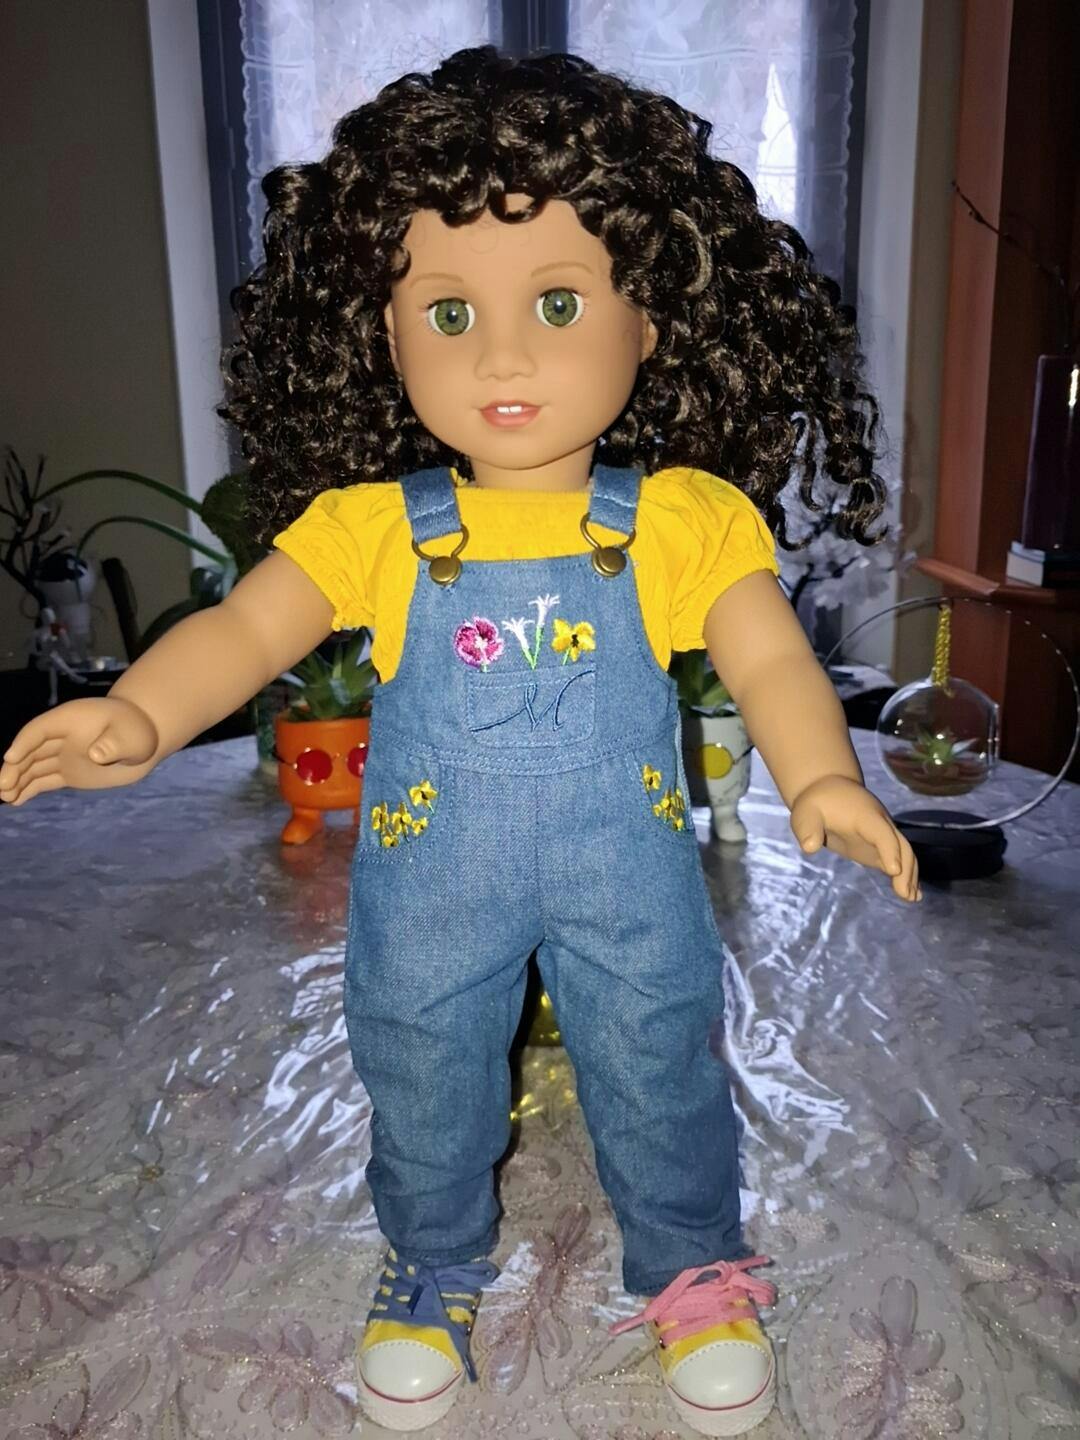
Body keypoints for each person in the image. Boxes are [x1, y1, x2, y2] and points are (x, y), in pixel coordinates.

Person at [0, 47, 919, 1437]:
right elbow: (247, 630)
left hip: (629, 875)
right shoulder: (373, 526)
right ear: (384, 333)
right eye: (447, 311)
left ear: (650, 319)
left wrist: (826, 776)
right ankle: (431, 1264)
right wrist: (144, 711)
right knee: (420, 1062)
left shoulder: (682, 518)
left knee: (660, 1060)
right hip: (431, 882)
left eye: (557, 302)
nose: (502, 356)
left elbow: (773, 656)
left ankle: (691, 1267)